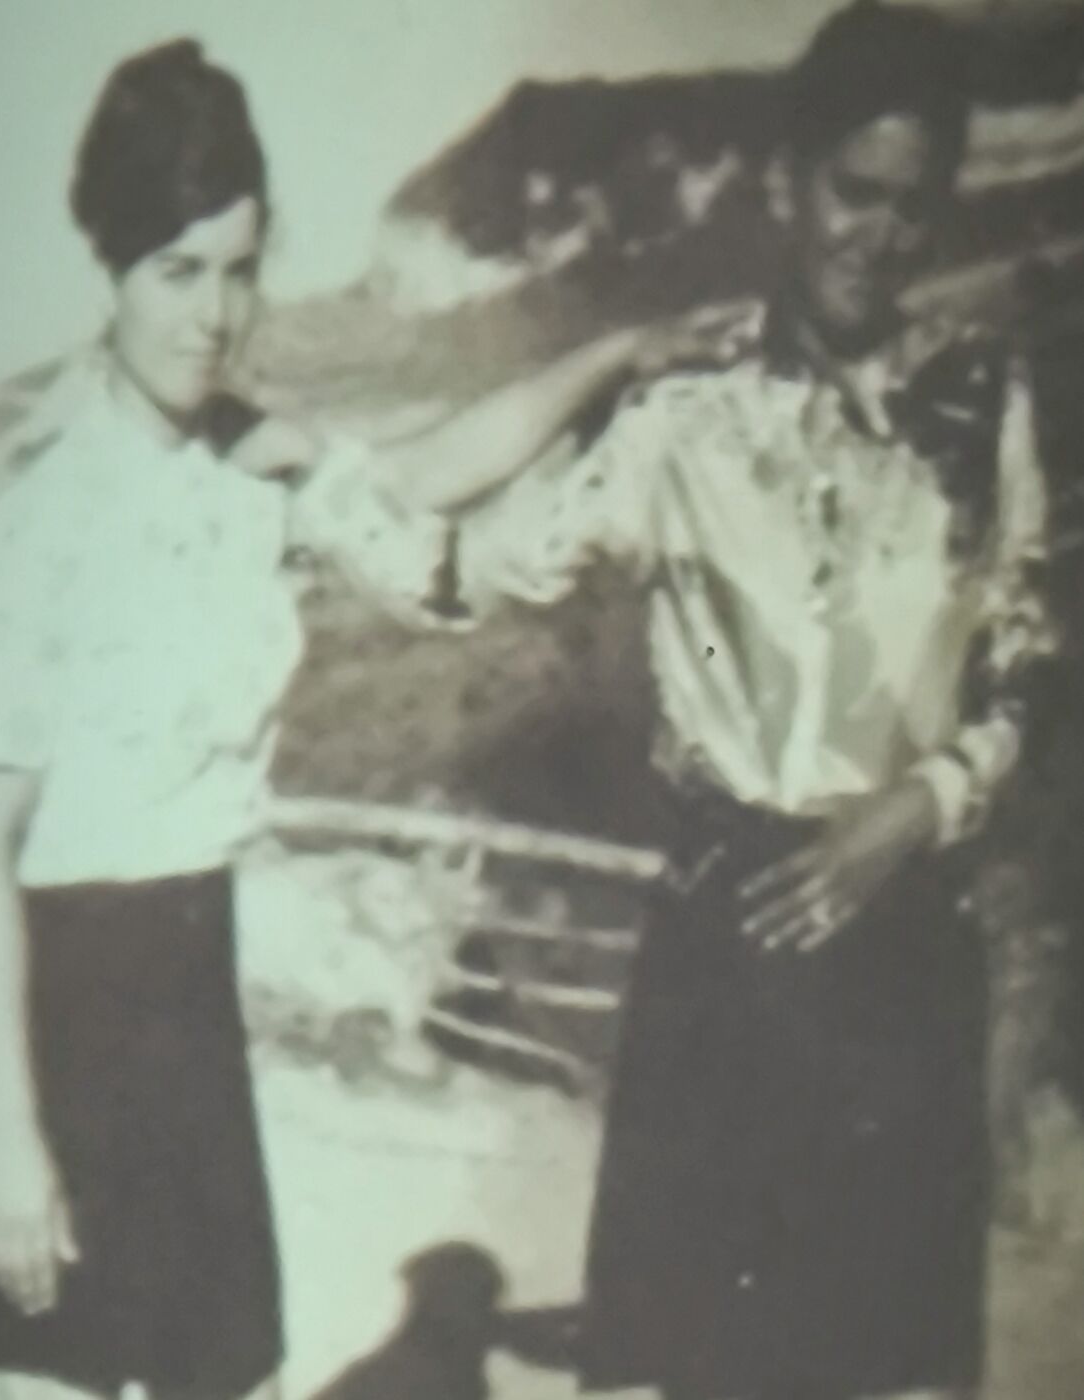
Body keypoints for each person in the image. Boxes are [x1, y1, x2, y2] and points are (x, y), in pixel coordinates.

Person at [0, 38, 704, 1400]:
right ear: (111, 265)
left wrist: (610, 355)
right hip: (63, 1024)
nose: (214, 315)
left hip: (191, 1004)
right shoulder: (38, 516)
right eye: (177, 271)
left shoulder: (249, 465)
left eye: (239, 270)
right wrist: (10, 1146)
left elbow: (427, 473)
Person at [453, 5, 1058, 1397]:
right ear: (789, 184)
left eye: (915, 204)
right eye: (854, 190)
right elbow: (457, 565)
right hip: (724, 953)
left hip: (905, 959)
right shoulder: (684, 411)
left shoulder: (981, 399)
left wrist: (918, 806)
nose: (882, 234)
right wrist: (604, 361)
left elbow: (1028, 666)